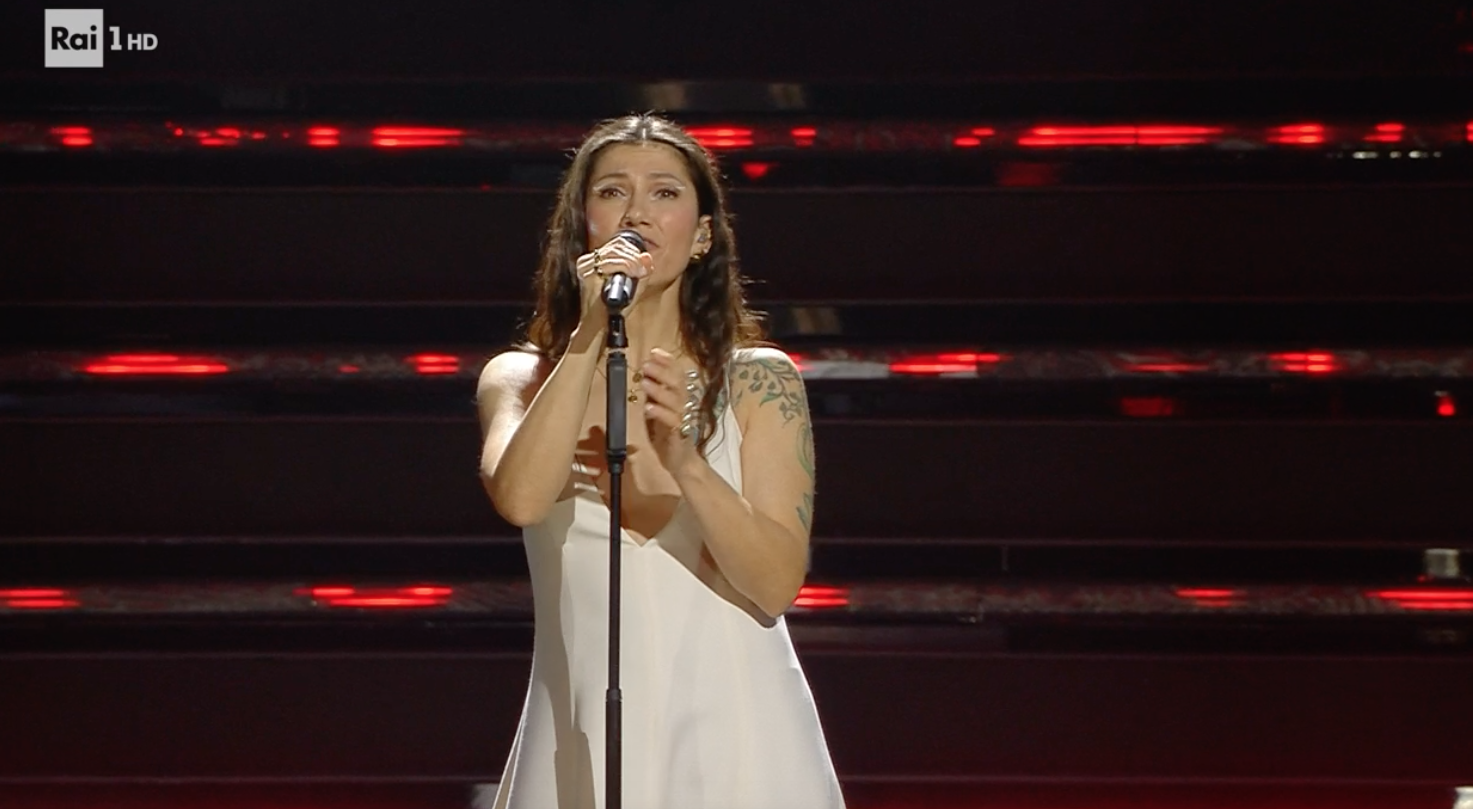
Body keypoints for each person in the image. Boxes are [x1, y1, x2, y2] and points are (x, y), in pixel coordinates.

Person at [475, 114, 846, 809]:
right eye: (612, 191)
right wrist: (590, 331)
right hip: (578, 725)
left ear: (702, 235)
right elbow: (521, 499)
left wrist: (687, 462)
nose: (637, 212)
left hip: (737, 726)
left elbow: (774, 585)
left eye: (664, 193)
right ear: (582, 226)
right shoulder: (520, 378)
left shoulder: (758, 380)